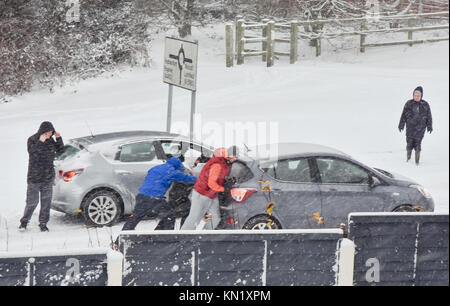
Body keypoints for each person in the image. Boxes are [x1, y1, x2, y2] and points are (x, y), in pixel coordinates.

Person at [121, 156, 197, 231]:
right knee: (169, 216)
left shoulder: (155, 168)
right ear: (176, 166)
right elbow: (187, 178)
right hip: (155, 198)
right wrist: (200, 180)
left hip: (141, 196)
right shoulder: (172, 171)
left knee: (135, 217)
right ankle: (168, 239)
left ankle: (121, 239)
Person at [19, 121, 64, 232]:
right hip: (34, 178)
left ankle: (43, 224)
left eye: (51, 132)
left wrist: (59, 139)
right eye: (48, 132)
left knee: (46, 203)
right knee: (32, 202)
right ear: (42, 131)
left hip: (47, 178)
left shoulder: (51, 141)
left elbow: (61, 151)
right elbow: (33, 153)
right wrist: (40, 142)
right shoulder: (32, 140)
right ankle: (24, 222)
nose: (50, 134)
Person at [181, 146, 239, 230]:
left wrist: (227, 181)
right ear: (229, 155)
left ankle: (204, 234)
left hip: (211, 194)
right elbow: (211, 184)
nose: (236, 158)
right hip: (201, 194)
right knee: (194, 218)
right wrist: (224, 188)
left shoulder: (224, 164)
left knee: (215, 218)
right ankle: (183, 236)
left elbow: (218, 178)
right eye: (235, 156)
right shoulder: (217, 165)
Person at [398, 86, 433, 166]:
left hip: (420, 130)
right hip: (410, 129)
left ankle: (417, 162)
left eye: (418, 96)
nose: (416, 97)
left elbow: (429, 116)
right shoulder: (409, 103)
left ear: (421, 96)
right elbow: (403, 115)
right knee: (409, 144)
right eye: (415, 95)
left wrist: (429, 126)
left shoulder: (425, 105)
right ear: (413, 95)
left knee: (418, 145)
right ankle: (408, 159)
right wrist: (401, 125)